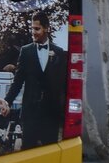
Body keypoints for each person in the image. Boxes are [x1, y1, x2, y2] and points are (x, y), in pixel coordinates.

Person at [4, 11, 67, 149]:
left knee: (50, 155)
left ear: (46, 28)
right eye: (32, 28)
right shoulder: (25, 52)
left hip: (51, 115)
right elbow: (17, 82)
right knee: (28, 153)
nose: (33, 32)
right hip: (30, 114)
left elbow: (63, 85)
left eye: (37, 29)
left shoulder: (59, 53)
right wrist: (6, 102)